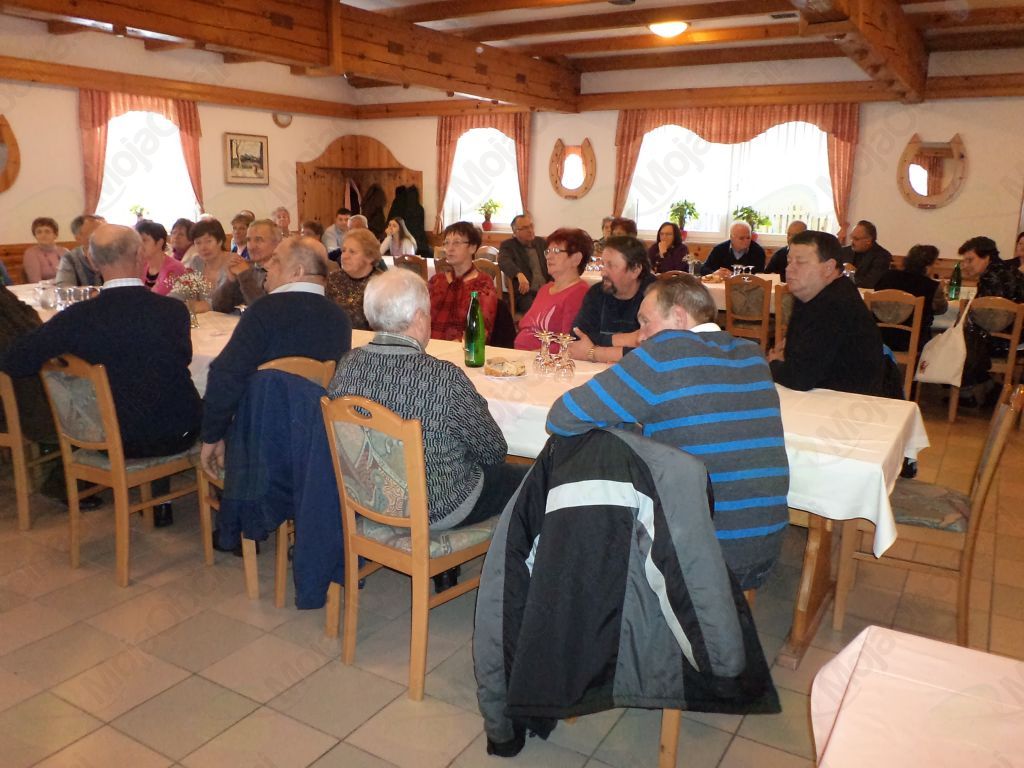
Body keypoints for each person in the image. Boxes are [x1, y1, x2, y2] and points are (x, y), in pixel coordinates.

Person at [547, 273, 789, 590]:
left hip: (700, 562)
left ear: (678, 317)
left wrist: (626, 424)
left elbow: (562, 417)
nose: (640, 337)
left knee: (590, 484)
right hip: (763, 551)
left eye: (645, 323)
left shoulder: (663, 353)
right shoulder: (751, 353)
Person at [328, 268, 528, 592]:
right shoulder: (443, 378)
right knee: (533, 477)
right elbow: (494, 450)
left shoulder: (347, 364)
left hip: (367, 500)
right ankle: (523, 580)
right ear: (420, 318)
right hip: (440, 508)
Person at [1, 224, 202, 526]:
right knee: (201, 398)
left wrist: (63, 361)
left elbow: (16, 361)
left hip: (104, 438)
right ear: (140, 255)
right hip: (176, 434)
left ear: (92, 261)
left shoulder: (76, 318)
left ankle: (157, 503)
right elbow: (180, 361)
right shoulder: (172, 310)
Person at [200, 235, 351, 510]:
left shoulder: (263, 312)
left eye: (276, 261)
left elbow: (226, 376)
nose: (266, 266)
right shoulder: (338, 317)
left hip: (259, 445)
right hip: (315, 445)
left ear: (297, 272)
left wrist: (212, 434)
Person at [768, 230, 884, 395]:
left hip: (848, 399)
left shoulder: (835, 303)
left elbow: (800, 377)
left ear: (829, 267)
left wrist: (772, 364)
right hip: (825, 390)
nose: (789, 269)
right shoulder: (812, 292)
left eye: (800, 262)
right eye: (789, 261)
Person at [958, 236, 1024, 406]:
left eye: (970, 260)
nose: (965, 265)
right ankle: (985, 386)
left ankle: (973, 389)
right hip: (1016, 339)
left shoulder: (990, 278)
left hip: (1002, 341)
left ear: (986, 257)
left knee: (957, 341)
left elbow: (990, 319)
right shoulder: (1010, 271)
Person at [568, 234, 655, 363]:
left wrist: (594, 352)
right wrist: (626, 339)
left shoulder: (655, 296)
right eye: (603, 264)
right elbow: (576, 337)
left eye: (611, 265)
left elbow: (654, 350)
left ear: (635, 270)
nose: (603, 272)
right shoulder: (597, 292)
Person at [514, 228, 591, 351]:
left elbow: (569, 343)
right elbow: (525, 326)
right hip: (521, 355)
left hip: (543, 360)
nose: (549, 257)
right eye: (548, 251)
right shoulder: (545, 289)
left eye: (556, 251)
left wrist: (530, 356)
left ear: (576, 259)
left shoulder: (579, 293)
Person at [430, 221, 497, 341]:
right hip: (428, 346)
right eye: (446, 243)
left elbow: (480, 330)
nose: (449, 249)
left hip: (461, 348)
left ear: (472, 247)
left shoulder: (483, 284)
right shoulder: (437, 280)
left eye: (456, 243)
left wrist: (455, 345)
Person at [874, 244, 947, 353]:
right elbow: (941, 309)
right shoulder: (931, 286)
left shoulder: (887, 277)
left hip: (881, 338)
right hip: (913, 342)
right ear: (927, 267)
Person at [210, 218, 279, 313]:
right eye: (249, 240)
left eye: (258, 240)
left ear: (276, 243)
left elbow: (264, 310)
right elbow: (219, 307)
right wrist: (231, 281)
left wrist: (244, 274)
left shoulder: (284, 272)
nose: (251, 246)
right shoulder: (248, 267)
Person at [326, 228, 384, 330]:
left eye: (352, 252)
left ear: (369, 257)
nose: (344, 256)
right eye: (343, 251)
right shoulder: (333, 279)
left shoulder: (381, 284)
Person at [176, 218, 232, 313]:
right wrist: (170, 303)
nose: (203, 247)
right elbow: (182, 290)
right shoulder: (196, 262)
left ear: (220, 241)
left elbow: (227, 300)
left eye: (208, 241)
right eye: (198, 243)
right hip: (205, 318)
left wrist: (205, 305)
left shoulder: (233, 262)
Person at [498, 214, 550, 314]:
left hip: (546, 290)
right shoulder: (508, 245)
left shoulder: (541, 243)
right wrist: (519, 274)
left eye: (531, 226)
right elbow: (503, 261)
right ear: (515, 232)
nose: (530, 230)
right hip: (525, 294)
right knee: (536, 312)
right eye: (525, 228)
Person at [136, 220, 186, 296]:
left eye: (144, 240)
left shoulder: (175, 268)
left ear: (160, 243)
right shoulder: (141, 266)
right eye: (138, 241)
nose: (140, 245)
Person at [55, 214, 105, 287]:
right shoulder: (70, 258)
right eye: (95, 232)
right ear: (78, 238)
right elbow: (63, 286)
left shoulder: (117, 254)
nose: (104, 236)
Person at [702, 221, 767, 276]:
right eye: (741, 238)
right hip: (721, 285)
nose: (746, 241)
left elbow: (759, 275)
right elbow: (703, 269)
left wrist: (733, 275)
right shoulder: (719, 249)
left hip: (748, 286)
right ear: (731, 237)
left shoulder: (758, 252)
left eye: (748, 237)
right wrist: (714, 273)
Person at [841, 220, 892, 289]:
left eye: (856, 239)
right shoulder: (844, 251)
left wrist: (851, 273)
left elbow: (869, 283)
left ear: (869, 241)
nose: (852, 242)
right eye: (851, 237)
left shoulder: (883, 256)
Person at [22, 217, 69, 283]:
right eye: (39, 232)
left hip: (66, 287)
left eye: (47, 232)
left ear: (55, 235)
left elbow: (72, 276)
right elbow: (35, 281)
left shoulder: (64, 252)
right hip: (42, 289)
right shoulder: (31, 253)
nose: (43, 235)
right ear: (35, 235)